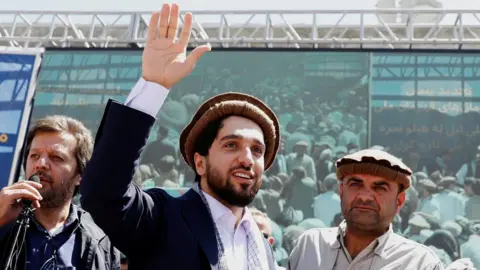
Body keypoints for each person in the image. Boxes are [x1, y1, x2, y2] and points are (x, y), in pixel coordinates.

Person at [80, 3, 279, 269]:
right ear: (200, 162)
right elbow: (104, 193)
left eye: (257, 150)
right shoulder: (162, 218)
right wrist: (154, 85)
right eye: (231, 145)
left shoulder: (261, 245)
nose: (246, 158)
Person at [287, 149, 444, 270]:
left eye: (380, 187)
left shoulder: (419, 263)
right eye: (355, 184)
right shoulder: (311, 246)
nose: (365, 196)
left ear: (399, 201)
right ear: (341, 192)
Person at [0, 115, 120, 269]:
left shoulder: (102, 240)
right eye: (34, 155)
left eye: (56, 157)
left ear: (80, 175)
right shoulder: (4, 222)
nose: (40, 164)